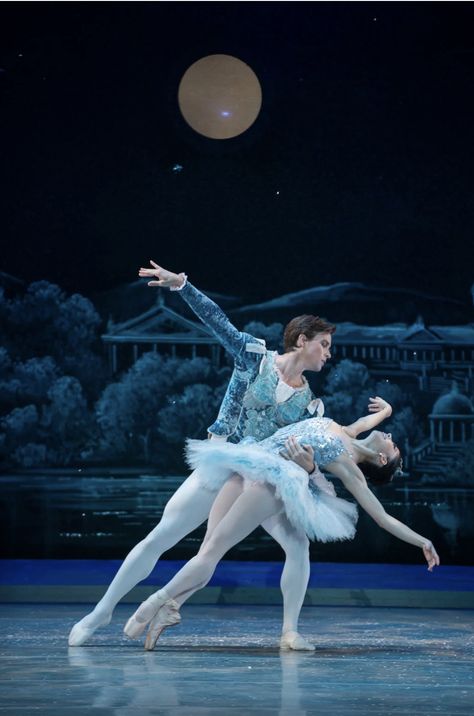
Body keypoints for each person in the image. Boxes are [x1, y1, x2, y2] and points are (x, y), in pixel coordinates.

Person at [68, 261, 335, 650]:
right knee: (162, 536)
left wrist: (310, 466)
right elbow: (218, 323)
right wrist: (183, 286)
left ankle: (289, 632)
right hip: (223, 462)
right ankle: (103, 611)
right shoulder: (255, 358)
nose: (328, 354)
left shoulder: (312, 406)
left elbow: (313, 459)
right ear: (301, 340)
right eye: (324, 344)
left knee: (298, 545)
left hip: (262, 482)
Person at [135, 397, 440, 651]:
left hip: (275, 480)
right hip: (251, 462)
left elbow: (382, 518)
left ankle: (157, 601)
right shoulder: (349, 432)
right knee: (211, 549)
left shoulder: (350, 468)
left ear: (382, 460)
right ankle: (170, 606)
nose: (390, 437)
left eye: (394, 446)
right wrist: (386, 411)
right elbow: (369, 423)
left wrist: (422, 541)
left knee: (272, 548)